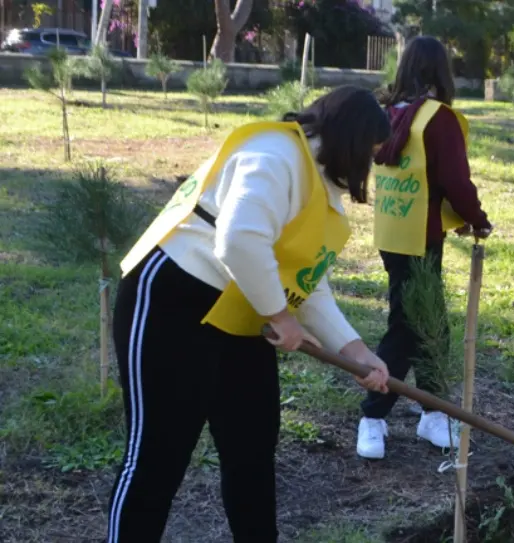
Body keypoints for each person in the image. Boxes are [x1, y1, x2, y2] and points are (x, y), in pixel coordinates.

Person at [108, 86, 393, 542]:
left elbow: (307, 282)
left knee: (251, 453)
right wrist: (281, 317)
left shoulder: (322, 190)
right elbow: (239, 240)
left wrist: (357, 352)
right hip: (173, 299)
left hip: (244, 310)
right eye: (372, 155)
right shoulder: (275, 155)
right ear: (353, 143)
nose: (371, 168)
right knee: (158, 458)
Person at [356, 36, 493, 460]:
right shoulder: (439, 118)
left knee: (424, 318)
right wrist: (477, 218)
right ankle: (374, 417)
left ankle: (432, 413)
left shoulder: (389, 113)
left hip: (391, 232)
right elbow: (456, 180)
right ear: (442, 72)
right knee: (412, 323)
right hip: (420, 236)